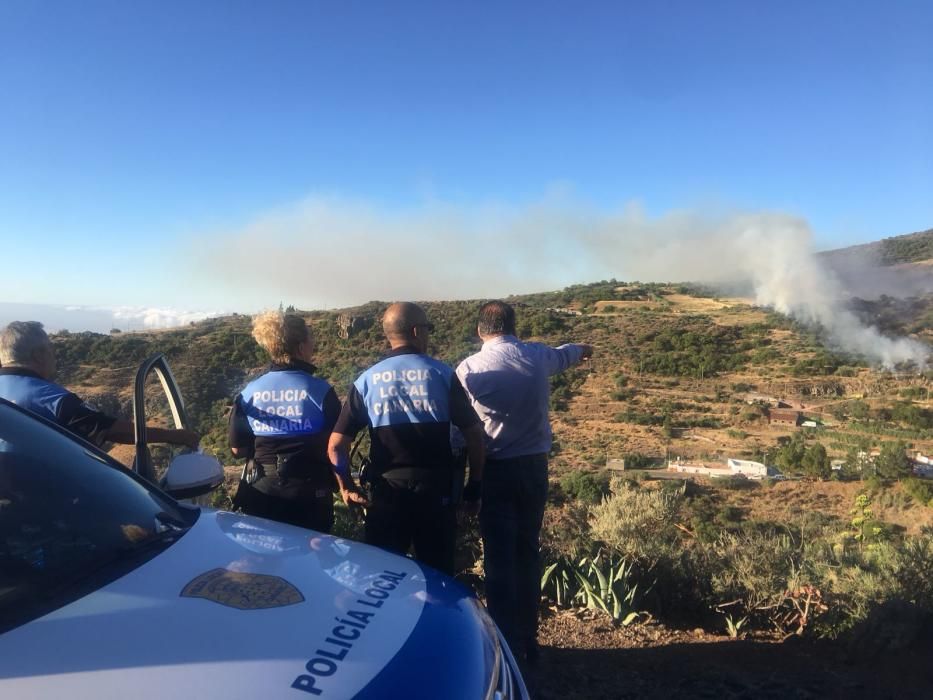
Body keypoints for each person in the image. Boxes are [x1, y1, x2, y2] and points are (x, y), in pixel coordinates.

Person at [455, 300, 592, 663]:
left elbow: (461, 429)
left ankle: (503, 642)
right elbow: (566, 355)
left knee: (498, 557)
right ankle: (529, 638)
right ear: (514, 327)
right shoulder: (535, 356)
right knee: (527, 552)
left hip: (494, 469)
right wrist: (583, 350)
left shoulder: (468, 369)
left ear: (480, 330)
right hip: (533, 468)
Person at [327, 302, 485, 575]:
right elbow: (475, 436)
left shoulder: (367, 380)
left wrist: (347, 486)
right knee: (439, 579)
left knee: (380, 581)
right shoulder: (442, 375)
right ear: (416, 331)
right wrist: (474, 487)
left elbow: (336, 446)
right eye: (428, 329)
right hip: (436, 496)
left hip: (387, 496)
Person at [0, 321, 199, 450]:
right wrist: (174, 436)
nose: (55, 356)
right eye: (51, 350)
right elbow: (108, 429)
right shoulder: (50, 399)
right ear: (38, 355)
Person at [228, 311, 342, 532]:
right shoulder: (321, 391)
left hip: (262, 493)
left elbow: (237, 449)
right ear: (300, 347)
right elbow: (337, 445)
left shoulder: (249, 392)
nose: (314, 345)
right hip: (310, 497)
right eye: (311, 339)